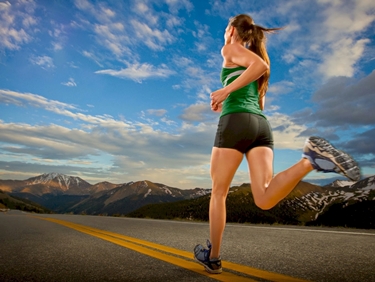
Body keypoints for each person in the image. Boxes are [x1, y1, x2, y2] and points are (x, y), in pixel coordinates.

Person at [193, 14, 360, 274]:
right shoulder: (246, 62)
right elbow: (255, 101)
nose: (225, 31)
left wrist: (225, 92)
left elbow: (260, 66)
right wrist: (226, 99)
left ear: (233, 31)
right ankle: (309, 161)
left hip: (236, 124)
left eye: (227, 26)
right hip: (260, 127)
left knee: (218, 192)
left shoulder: (230, 49)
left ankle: (212, 258)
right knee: (264, 198)